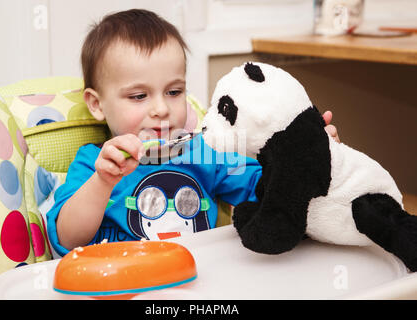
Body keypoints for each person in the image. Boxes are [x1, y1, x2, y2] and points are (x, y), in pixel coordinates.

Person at [46, 9, 340, 256]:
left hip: (198, 281)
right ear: (97, 104)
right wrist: (102, 182)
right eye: (138, 96)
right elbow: (69, 239)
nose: (161, 108)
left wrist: (311, 157)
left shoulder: (206, 151)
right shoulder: (94, 164)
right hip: (124, 288)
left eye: (174, 91)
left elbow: (270, 189)